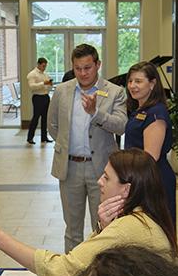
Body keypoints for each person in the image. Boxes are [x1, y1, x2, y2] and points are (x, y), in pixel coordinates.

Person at [0, 148, 177, 276]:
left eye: (106, 177)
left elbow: (65, 272)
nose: (99, 182)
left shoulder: (127, 228)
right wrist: (104, 228)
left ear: (126, 190)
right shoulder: (142, 217)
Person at [48, 44, 127, 252]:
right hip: (70, 168)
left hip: (102, 170)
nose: (83, 73)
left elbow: (121, 126)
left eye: (88, 67)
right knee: (72, 229)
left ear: (98, 64)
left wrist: (95, 113)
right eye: (77, 68)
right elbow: (53, 126)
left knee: (102, 228)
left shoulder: (114, 92)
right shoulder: (62, 91)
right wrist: (66, 147)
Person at [123, 62, 176, 228]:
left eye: (138, 81)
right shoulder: (140, 109)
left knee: (155, 230)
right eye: (130, 81)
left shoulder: (156, 112)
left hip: (151, 178)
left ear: (152, 84)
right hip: (139, 176)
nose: (132, 86)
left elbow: (150, 156)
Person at [26, 56, 53, 144]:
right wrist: (43, 83)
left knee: (45, 118)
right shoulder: (32, 74)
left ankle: (44, 138)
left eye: (45, 66)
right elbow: (32, 86)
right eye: (43, 66)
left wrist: (49, 84)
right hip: (37, 98)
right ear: (38, 64)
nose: (44, 68)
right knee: (36, 118)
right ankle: (30, 138)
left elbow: (47, 85)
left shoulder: (45, 74)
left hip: (45, 97)